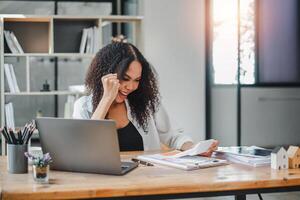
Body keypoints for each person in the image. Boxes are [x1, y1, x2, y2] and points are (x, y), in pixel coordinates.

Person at [73, 38, 218, 155]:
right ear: (106, 74)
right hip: (102, 184)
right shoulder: (84, 106)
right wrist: (106, 99)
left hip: (143, 180)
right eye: (125, 78)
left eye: (136, 80)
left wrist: (194, 148)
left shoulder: (145, 103)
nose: (130, 87)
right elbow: (84, 149)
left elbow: (173, 136)